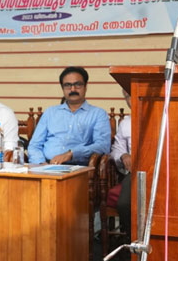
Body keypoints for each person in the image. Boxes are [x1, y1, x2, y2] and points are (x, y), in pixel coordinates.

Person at [27, 67, 111, 165]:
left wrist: (72, 153)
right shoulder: (50, 112)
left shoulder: (98, 114)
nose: (73, 89)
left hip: (78, 169)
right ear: (62, 88)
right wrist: (41, 163)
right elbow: (34, 146)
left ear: (86, 86)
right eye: (68, 85)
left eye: (77, 84)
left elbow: (102, 146)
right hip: (46, 166)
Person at [110, 89, 132, 239]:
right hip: (136, 173)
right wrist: (123, 155)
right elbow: (117, 149)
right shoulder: (126, 123)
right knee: (124, 204)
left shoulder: (166, 116)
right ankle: (131, 242)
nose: (130, 100)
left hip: (166, 172)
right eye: (127, 96)